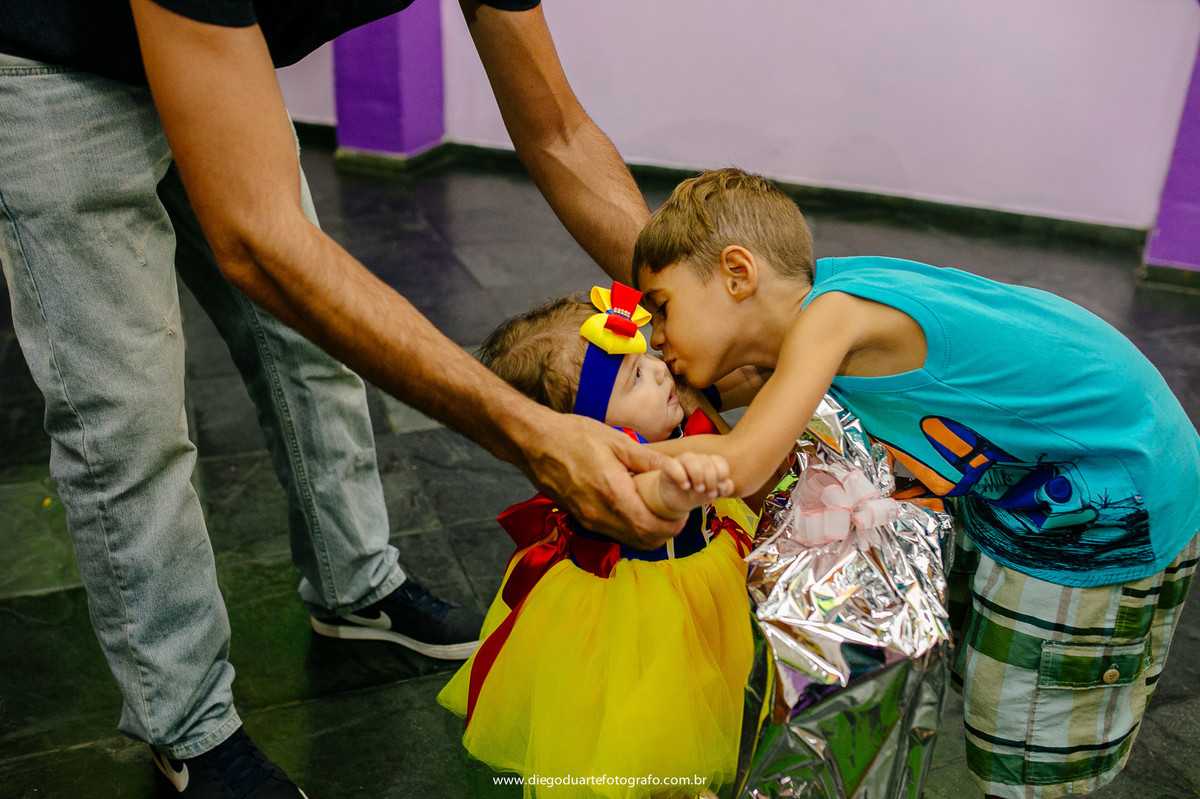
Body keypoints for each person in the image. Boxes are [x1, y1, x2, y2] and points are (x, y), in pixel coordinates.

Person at [0, 2, 684, 796]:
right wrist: (524, 428)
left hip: (218, 53)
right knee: (127, 421)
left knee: (309, 345)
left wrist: (680, 307)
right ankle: (187, 722)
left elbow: (558, 130)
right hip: (56, 71)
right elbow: (256, 238)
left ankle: (355, 585)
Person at [629, 167, 1200, 799]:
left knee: (1030, 731)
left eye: (661, 308)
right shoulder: (824, 299)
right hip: (1079, 464)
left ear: (738, 274)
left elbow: (745, 461)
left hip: (1112, 491)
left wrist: (604, 452)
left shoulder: (834, 319)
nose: (658, 339)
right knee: (1003, 684)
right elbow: (754, 385)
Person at [437, 284, 758, 798]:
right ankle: (667, 784)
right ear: (589, 431)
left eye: (647, 355)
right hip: (643, 611)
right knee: (650, 705)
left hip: (692, 584)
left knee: (700, 686)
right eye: (635, 377)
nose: (658, 369)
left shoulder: (656, 425)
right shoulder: (617, 470)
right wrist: (677, 485)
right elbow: (651, 499)